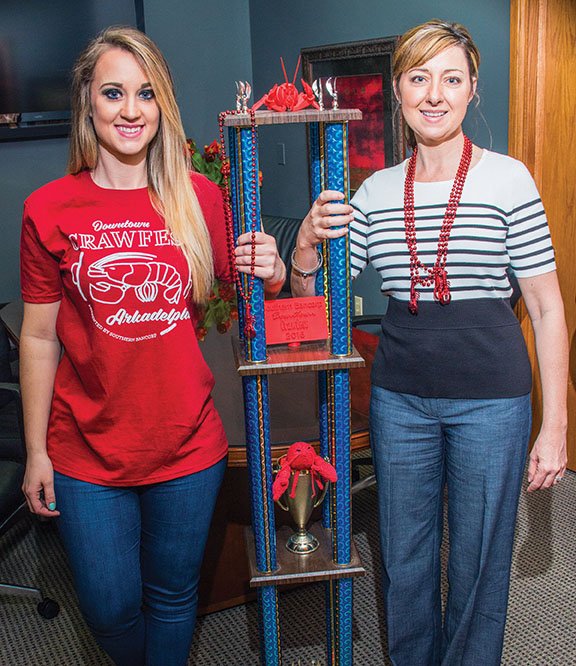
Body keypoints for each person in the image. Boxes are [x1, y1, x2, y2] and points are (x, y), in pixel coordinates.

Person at [291, 19, 568, 666]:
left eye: (451, 78)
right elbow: (317, 305)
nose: (434, 94)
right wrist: (305, 245)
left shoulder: (510, 179)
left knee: (477, 563)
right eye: (419, 78)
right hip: (401, 401)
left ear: (472, 90)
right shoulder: (373, 192)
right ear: (398, 91)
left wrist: (554, 425)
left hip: (492, 401)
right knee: (405, 559)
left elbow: (548, 308)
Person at [20, 26, 285, 666]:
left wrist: (275, 269)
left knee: (173, 598)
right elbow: (37, 336)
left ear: (162, 104)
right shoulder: (48, 209)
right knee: (109, 609)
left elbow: (257, 298)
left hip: (187, 445)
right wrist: (35, 451)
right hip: (85, 449)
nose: (131, 111)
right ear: (87, 101)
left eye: (145, 94)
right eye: (113, 93)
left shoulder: (198, 199)